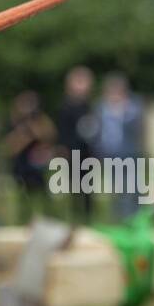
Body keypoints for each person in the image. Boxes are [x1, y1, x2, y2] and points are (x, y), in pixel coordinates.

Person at [94, 72, 144, 219]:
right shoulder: (101, 107)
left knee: (132, 187)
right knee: (117, 187)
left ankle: (134, 217)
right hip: (109, 153)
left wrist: (123, 111)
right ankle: (120, 218)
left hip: (129, 153)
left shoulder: (133, 106)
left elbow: (136, 127)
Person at [4, 90, 57, 223]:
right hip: (21, 164)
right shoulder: (14, 122)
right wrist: (24, 135)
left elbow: (50, 136)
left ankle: (47, 219)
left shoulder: (41, 120)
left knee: (43, 195)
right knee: (23, 196)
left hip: (38, 165)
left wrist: (34, 129)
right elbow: (10, 146)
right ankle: (24, 220)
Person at [53, 65, 96, 223]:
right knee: (73, 188)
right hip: (71, 154)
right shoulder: (66, 106)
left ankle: (87, 219)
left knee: (88, 189)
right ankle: (74, 219)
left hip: (87, 153)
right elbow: (63, 132)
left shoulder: (89, 106)